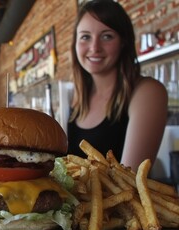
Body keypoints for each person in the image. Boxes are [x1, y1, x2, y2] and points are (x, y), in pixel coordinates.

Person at [67, 0, 168, 172]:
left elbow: (129, 181)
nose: (94, 47)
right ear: (75, 43)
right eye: (85, 37)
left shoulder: (148, 92)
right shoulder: (77, 97)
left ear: (123, 42)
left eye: (107, 36)